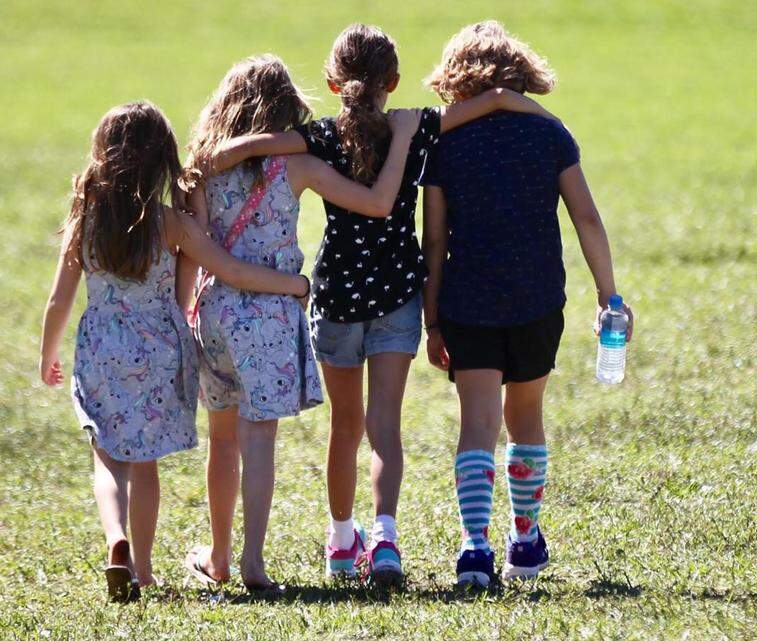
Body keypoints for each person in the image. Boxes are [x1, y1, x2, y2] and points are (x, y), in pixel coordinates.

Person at [207, 24, 560, 584]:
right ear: (393, 81)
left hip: (337, 300)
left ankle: (343, 543)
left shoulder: (319, 136)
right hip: (397, 297)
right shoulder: (415, 127)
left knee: (343, 428)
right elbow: (493, 100)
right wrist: (541, 117)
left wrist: (215, 155)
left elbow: (257, 146)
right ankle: (386, 540)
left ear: (331, 80)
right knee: (384, 428)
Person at [38, 101, 309, 602]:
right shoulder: (173, 225)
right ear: (161, 161)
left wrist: (47, 353)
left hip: (102, 348)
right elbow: (233, 272)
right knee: (145, 464)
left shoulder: (85, 218)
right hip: (161, 348)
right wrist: (293, 283)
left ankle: (114, 538)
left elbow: (59, 297)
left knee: (108, 459)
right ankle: (141, 570)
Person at [179, 54, 422, 593]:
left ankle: (218, 558)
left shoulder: (200, 167)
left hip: (213, 311)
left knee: (222, 441)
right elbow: (378, 203)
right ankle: (253, 565)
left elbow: (192, 251)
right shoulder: (299, 167)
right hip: (267, 317)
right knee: (258, 439)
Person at [421, 21, 634, 586]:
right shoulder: (550, 134)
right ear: (522, 75)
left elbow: (436, 238)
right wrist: (609, 294)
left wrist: (432, 317)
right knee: (525, 417)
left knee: (478, 424)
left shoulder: (444, 141)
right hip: (538, 298)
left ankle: (473, 548)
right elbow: (586, 217)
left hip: (467, 300)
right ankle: (524, 540)